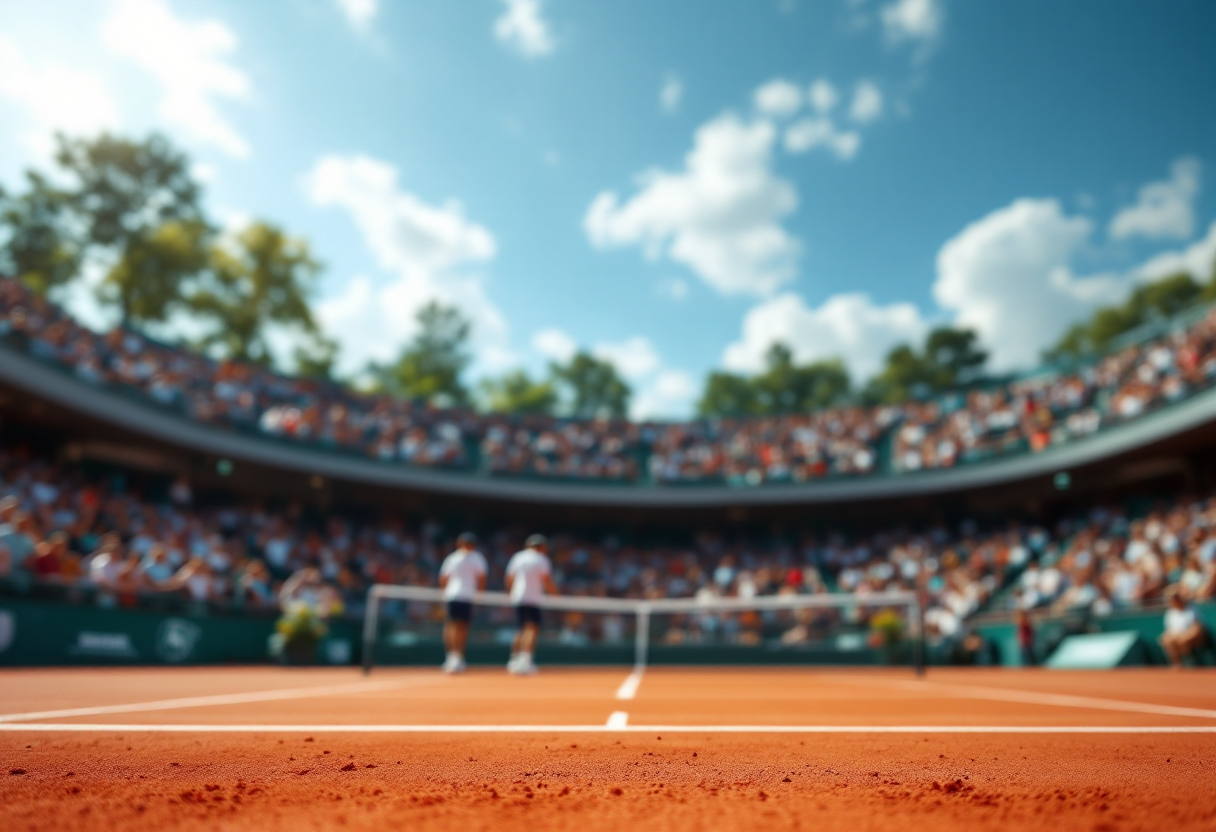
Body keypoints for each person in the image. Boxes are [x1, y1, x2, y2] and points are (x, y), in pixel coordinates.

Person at [504, 533, 557, 675]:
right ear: (541, 547)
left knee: (520, 629)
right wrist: (554, 594)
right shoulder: (542, 559)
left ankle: (514, 659)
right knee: (532, 628)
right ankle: (525, 660)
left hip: (518, 598)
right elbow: (547, 579)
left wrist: (511, 592)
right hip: (532, 599)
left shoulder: (518, 557)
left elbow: (509, 577)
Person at [437, 531, 487, 674]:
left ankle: (455, 657)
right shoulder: (470, 558)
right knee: (456, 626)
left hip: (460, 596)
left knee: (457, 626)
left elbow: (443, 578)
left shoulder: (456, 558)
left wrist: (445, 592)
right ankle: (454, 657)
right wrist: (479, 594)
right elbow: (481, 578)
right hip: (460, 596)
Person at [1159, 592, 1210, 668]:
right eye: (1172, 599)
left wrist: (1184, 635)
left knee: (1183, 640)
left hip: (1195, 636)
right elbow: (1168, 630)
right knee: (1166, 640)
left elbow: (1198, 627)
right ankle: (1177, 665)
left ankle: (1190, 662)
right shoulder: (1170, 613)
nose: (1174, 601)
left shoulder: (1192, 609)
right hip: (1177, 635)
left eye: (1176, 598)